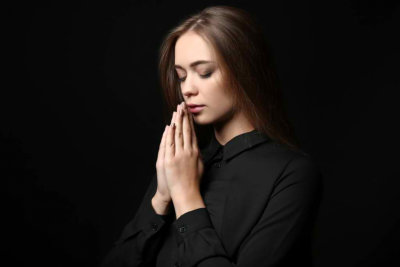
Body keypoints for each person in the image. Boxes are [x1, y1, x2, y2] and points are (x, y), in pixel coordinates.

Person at [100, 5, 323, 267]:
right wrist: (161, 197)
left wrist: (185, 198)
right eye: (181, 77)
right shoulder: (182, 162)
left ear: (244, 69)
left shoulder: (292, 174)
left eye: (204, 72)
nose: (188, 89)